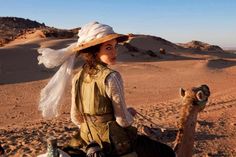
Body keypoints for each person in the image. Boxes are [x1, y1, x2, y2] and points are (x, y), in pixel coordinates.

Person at [37, 22, 175, 157]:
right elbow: (123, 121)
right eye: (108, 48)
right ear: (95, 51)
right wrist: (130, 114)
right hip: (112, 142)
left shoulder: (77, 77)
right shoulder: (112, 77)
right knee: (166, 152)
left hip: (86, 139)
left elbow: (75, 118)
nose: (115, 52)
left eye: (115, 47)